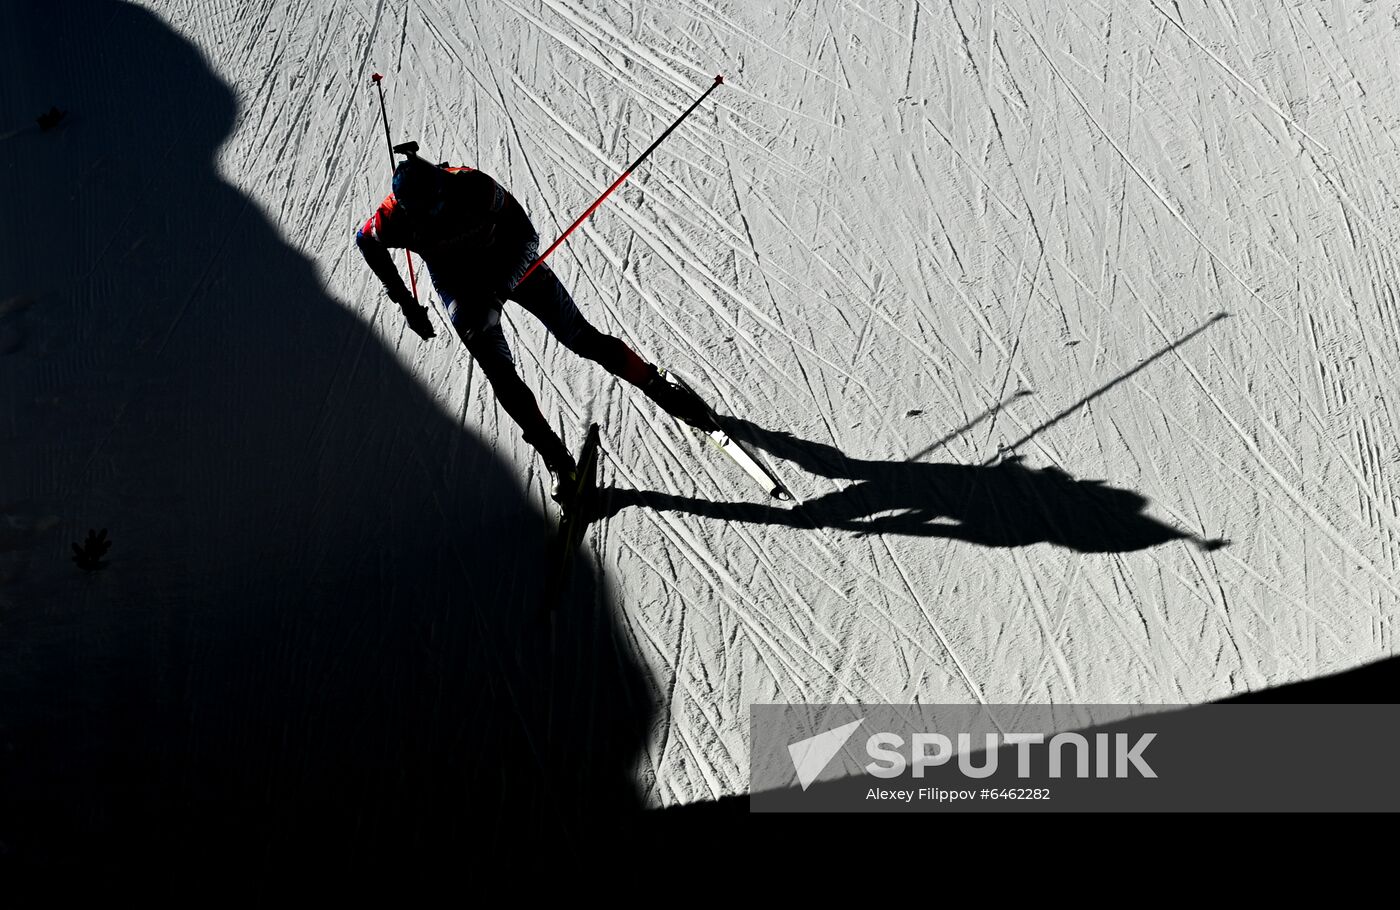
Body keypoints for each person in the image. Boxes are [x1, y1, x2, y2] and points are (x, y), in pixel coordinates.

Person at [356, 148, 712, 502]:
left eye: (439, 204)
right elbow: (365, 241)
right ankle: (556, 458)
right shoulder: (391, 220)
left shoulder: (473, 185)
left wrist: (497, 295)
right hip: (460, 286)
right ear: (405, 208)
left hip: (509, 262)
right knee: (500, 375)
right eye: (426, 213)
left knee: (579, 336)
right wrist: (404, 301)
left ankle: (655, 384)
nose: (437, 215)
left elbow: (527, 237)